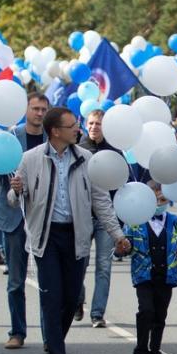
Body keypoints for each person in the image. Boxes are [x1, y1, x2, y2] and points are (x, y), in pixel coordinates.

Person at [7, 107, 129, 354]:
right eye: (72, 125)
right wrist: (16, 192)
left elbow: (101, 202)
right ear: (55, 132)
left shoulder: (87, 159)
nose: (79, 129)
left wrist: (117, 235)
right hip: (46, 236)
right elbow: (14, 199)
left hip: (76, 236)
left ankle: (53, 343)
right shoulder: (30, 159)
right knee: (51, 296)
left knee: (71, 296)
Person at [118, 181, 177, 354]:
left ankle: (155, 353)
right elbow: (125, 247)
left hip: (166, 275)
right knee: (146, 311)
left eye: (163, 198)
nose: (159, 201)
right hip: (144, 275)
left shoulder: (174, 220)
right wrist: (122, 249)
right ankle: (141, 353)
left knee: (160, 315)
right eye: (155, 198)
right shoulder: (135, 220)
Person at [0, 93, 48, 349]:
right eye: (35, 108)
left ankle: (51, 335)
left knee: (49, 281)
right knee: (16, 280)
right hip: (14, 218)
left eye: (43, 109)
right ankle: (17, 332)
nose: (39, 113)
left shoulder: (54, 139)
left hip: (47, 219)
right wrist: (12, 187)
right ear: (25, 109)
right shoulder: (10, 139)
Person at [78, 109, 119, 328]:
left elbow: (121, 185)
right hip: (82, 217)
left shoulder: (114, 151)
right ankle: (77, 300)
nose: (94, 128)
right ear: (86, 124)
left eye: (99, 124)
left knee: (104, 266)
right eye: (91, 124)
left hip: (105, 218)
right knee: (79, 264)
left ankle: (97, 313)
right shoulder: (77, 149)